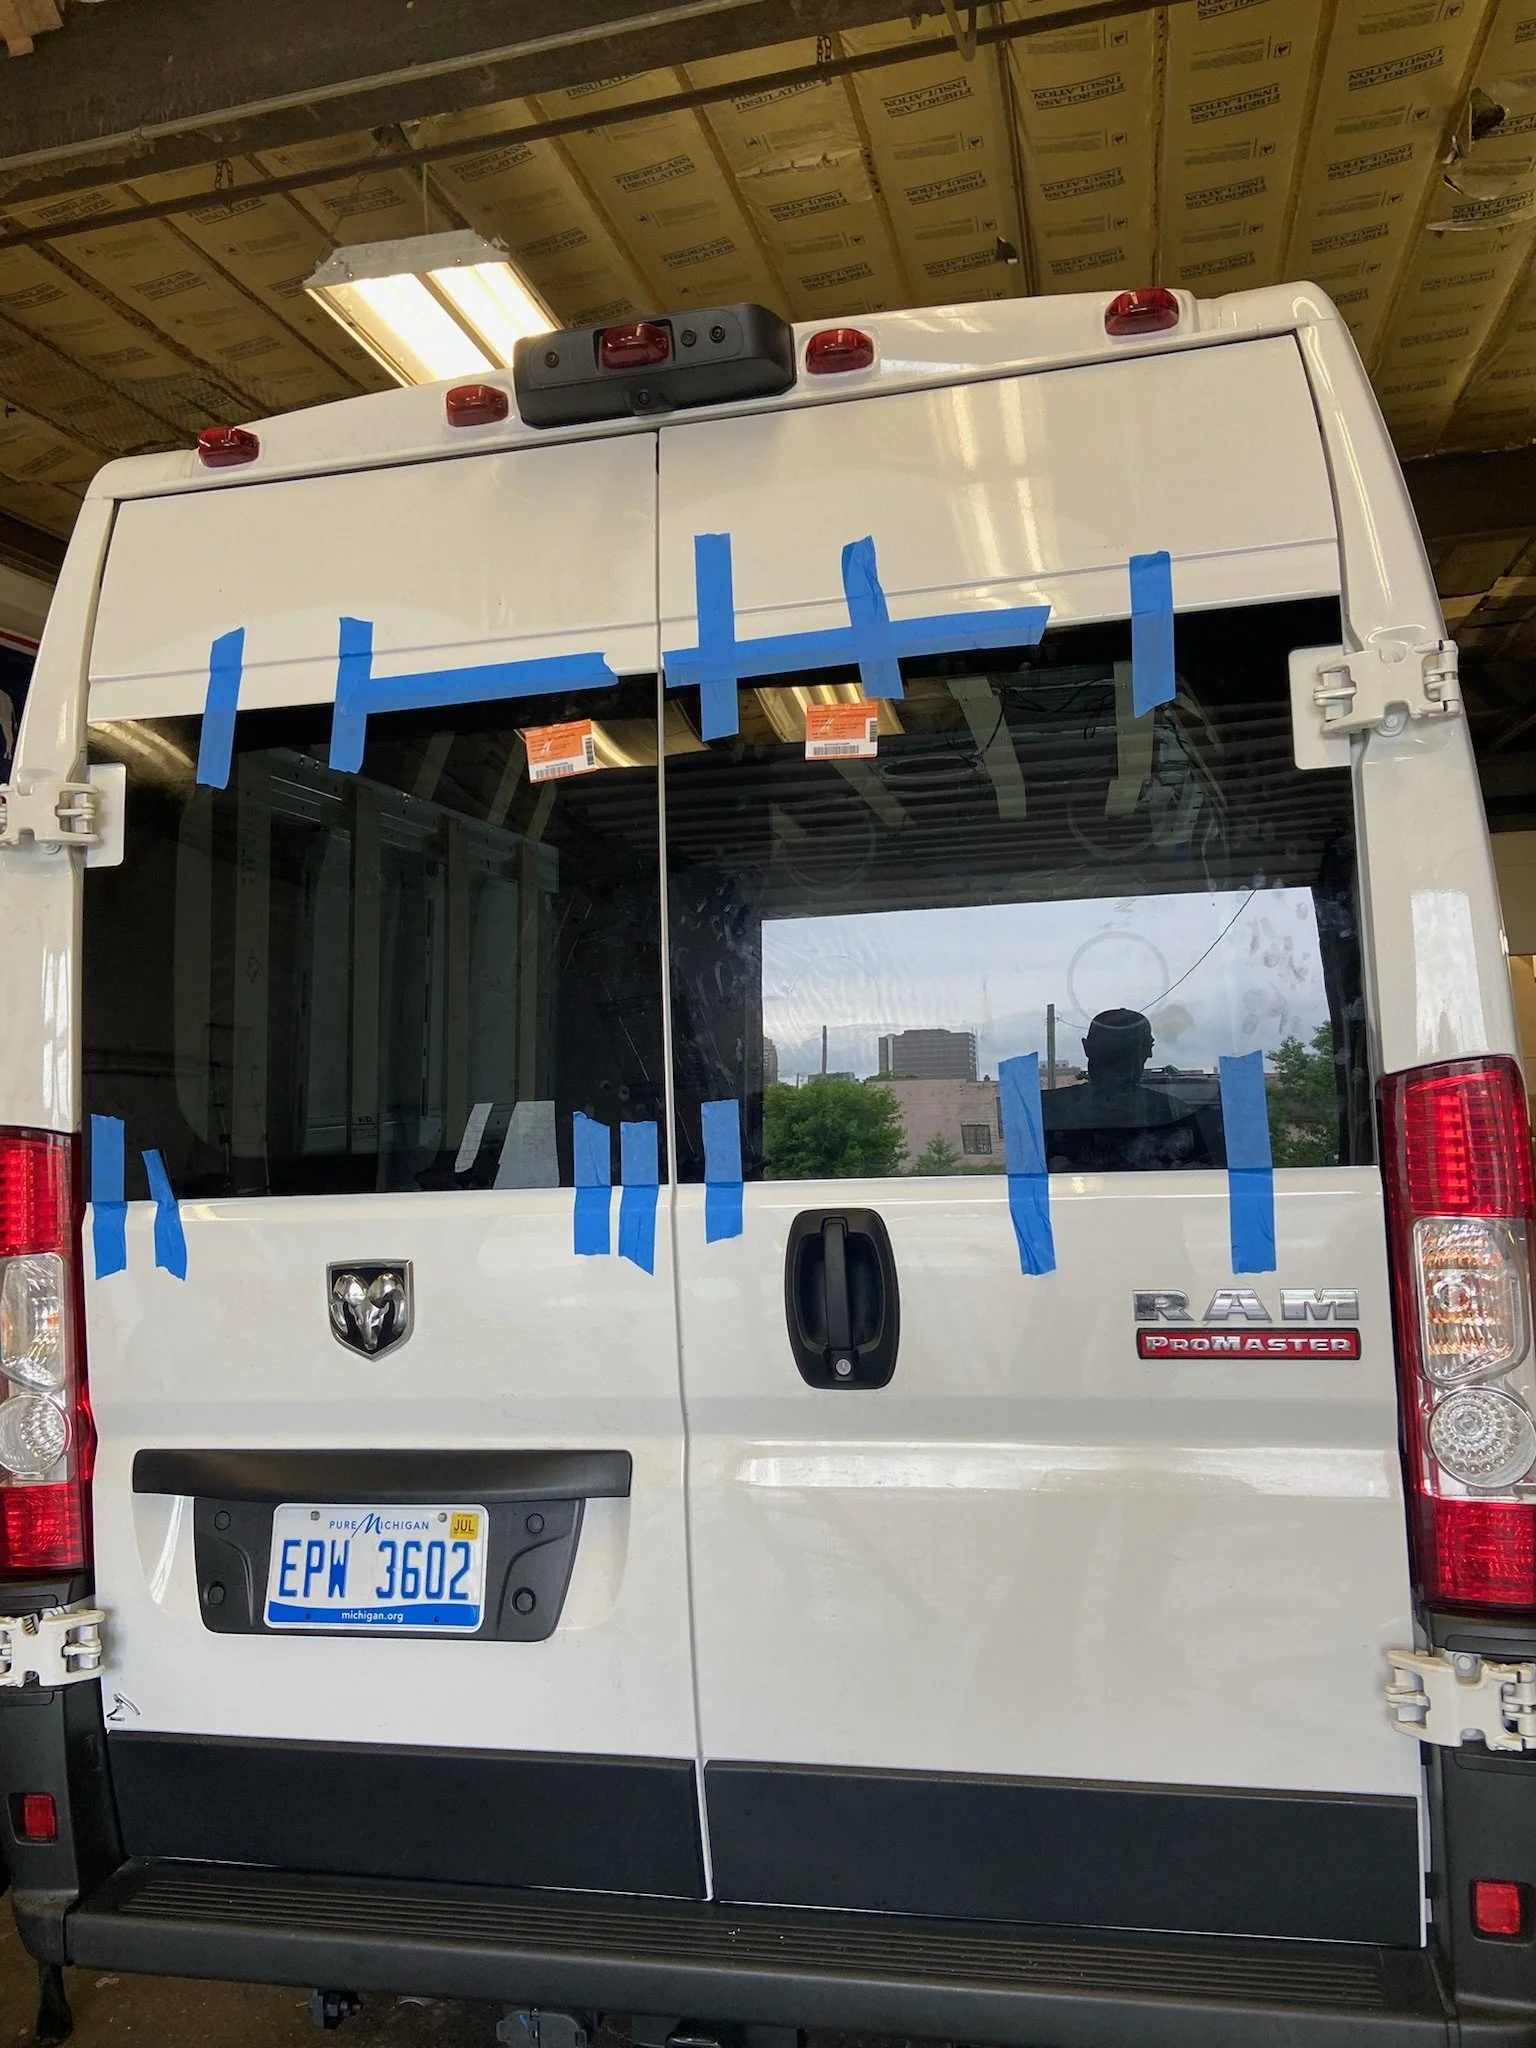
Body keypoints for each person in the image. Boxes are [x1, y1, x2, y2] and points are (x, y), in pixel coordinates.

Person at [1042, 1008, 1218, 1169]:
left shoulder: (1045, 1111)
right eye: (1116, 1050)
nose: (1147, 1055)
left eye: (1130, 1049)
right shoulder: (1174, 1112)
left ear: (1087, 1048)